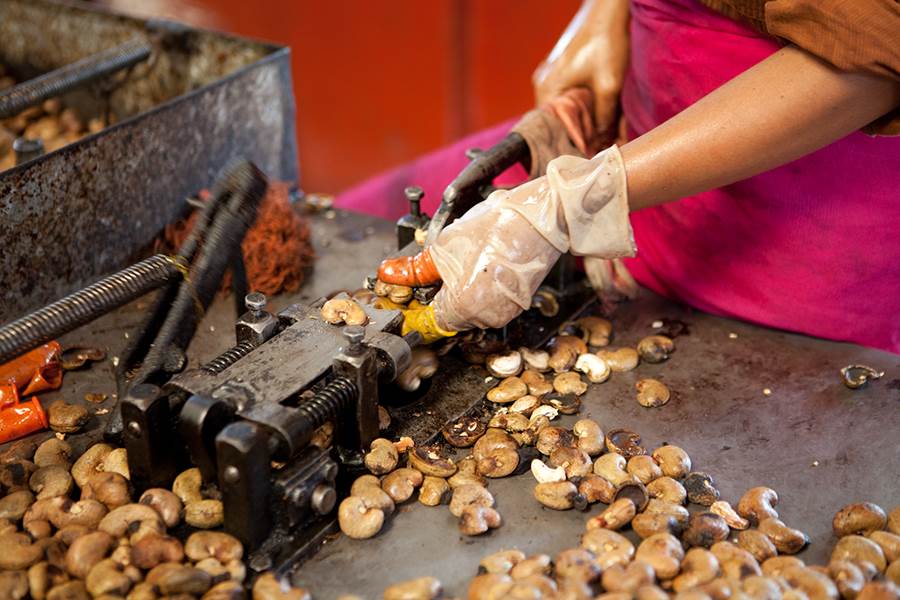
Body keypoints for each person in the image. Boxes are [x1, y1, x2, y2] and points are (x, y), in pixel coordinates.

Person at [339, 0, 900, 353]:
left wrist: (573, 201)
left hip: (798, 258)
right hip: (632, 154)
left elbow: (880, 46)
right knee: (351, 212)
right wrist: (605, 15)